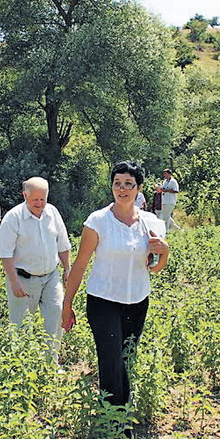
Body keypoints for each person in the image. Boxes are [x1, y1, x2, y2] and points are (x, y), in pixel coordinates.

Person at [62, 161, 170, 416]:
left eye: (128, 184)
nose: (122, 189)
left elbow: (154, 268)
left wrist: (165, 252)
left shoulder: (151, 222)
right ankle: (117, 421)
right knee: (111, 360)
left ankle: (114, 411)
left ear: (138, 189)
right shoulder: (98, 222)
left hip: (137, 301)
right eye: (117, 184)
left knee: (126, 356)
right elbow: (79, 266)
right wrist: (67, 304)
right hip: (103, 300)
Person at [0, 177, 72, 358]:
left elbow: (63, 243)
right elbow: (5, 253)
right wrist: (14, 282)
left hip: (51, 277)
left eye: (42, 199)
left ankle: (50, 366)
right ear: (25, 196)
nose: (39, 204)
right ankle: (19, 366)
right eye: (35, 200)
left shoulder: (52, 213)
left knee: (55, 316)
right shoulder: (13, 218)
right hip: (23, 278)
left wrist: (67, 268)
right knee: (20, 324)